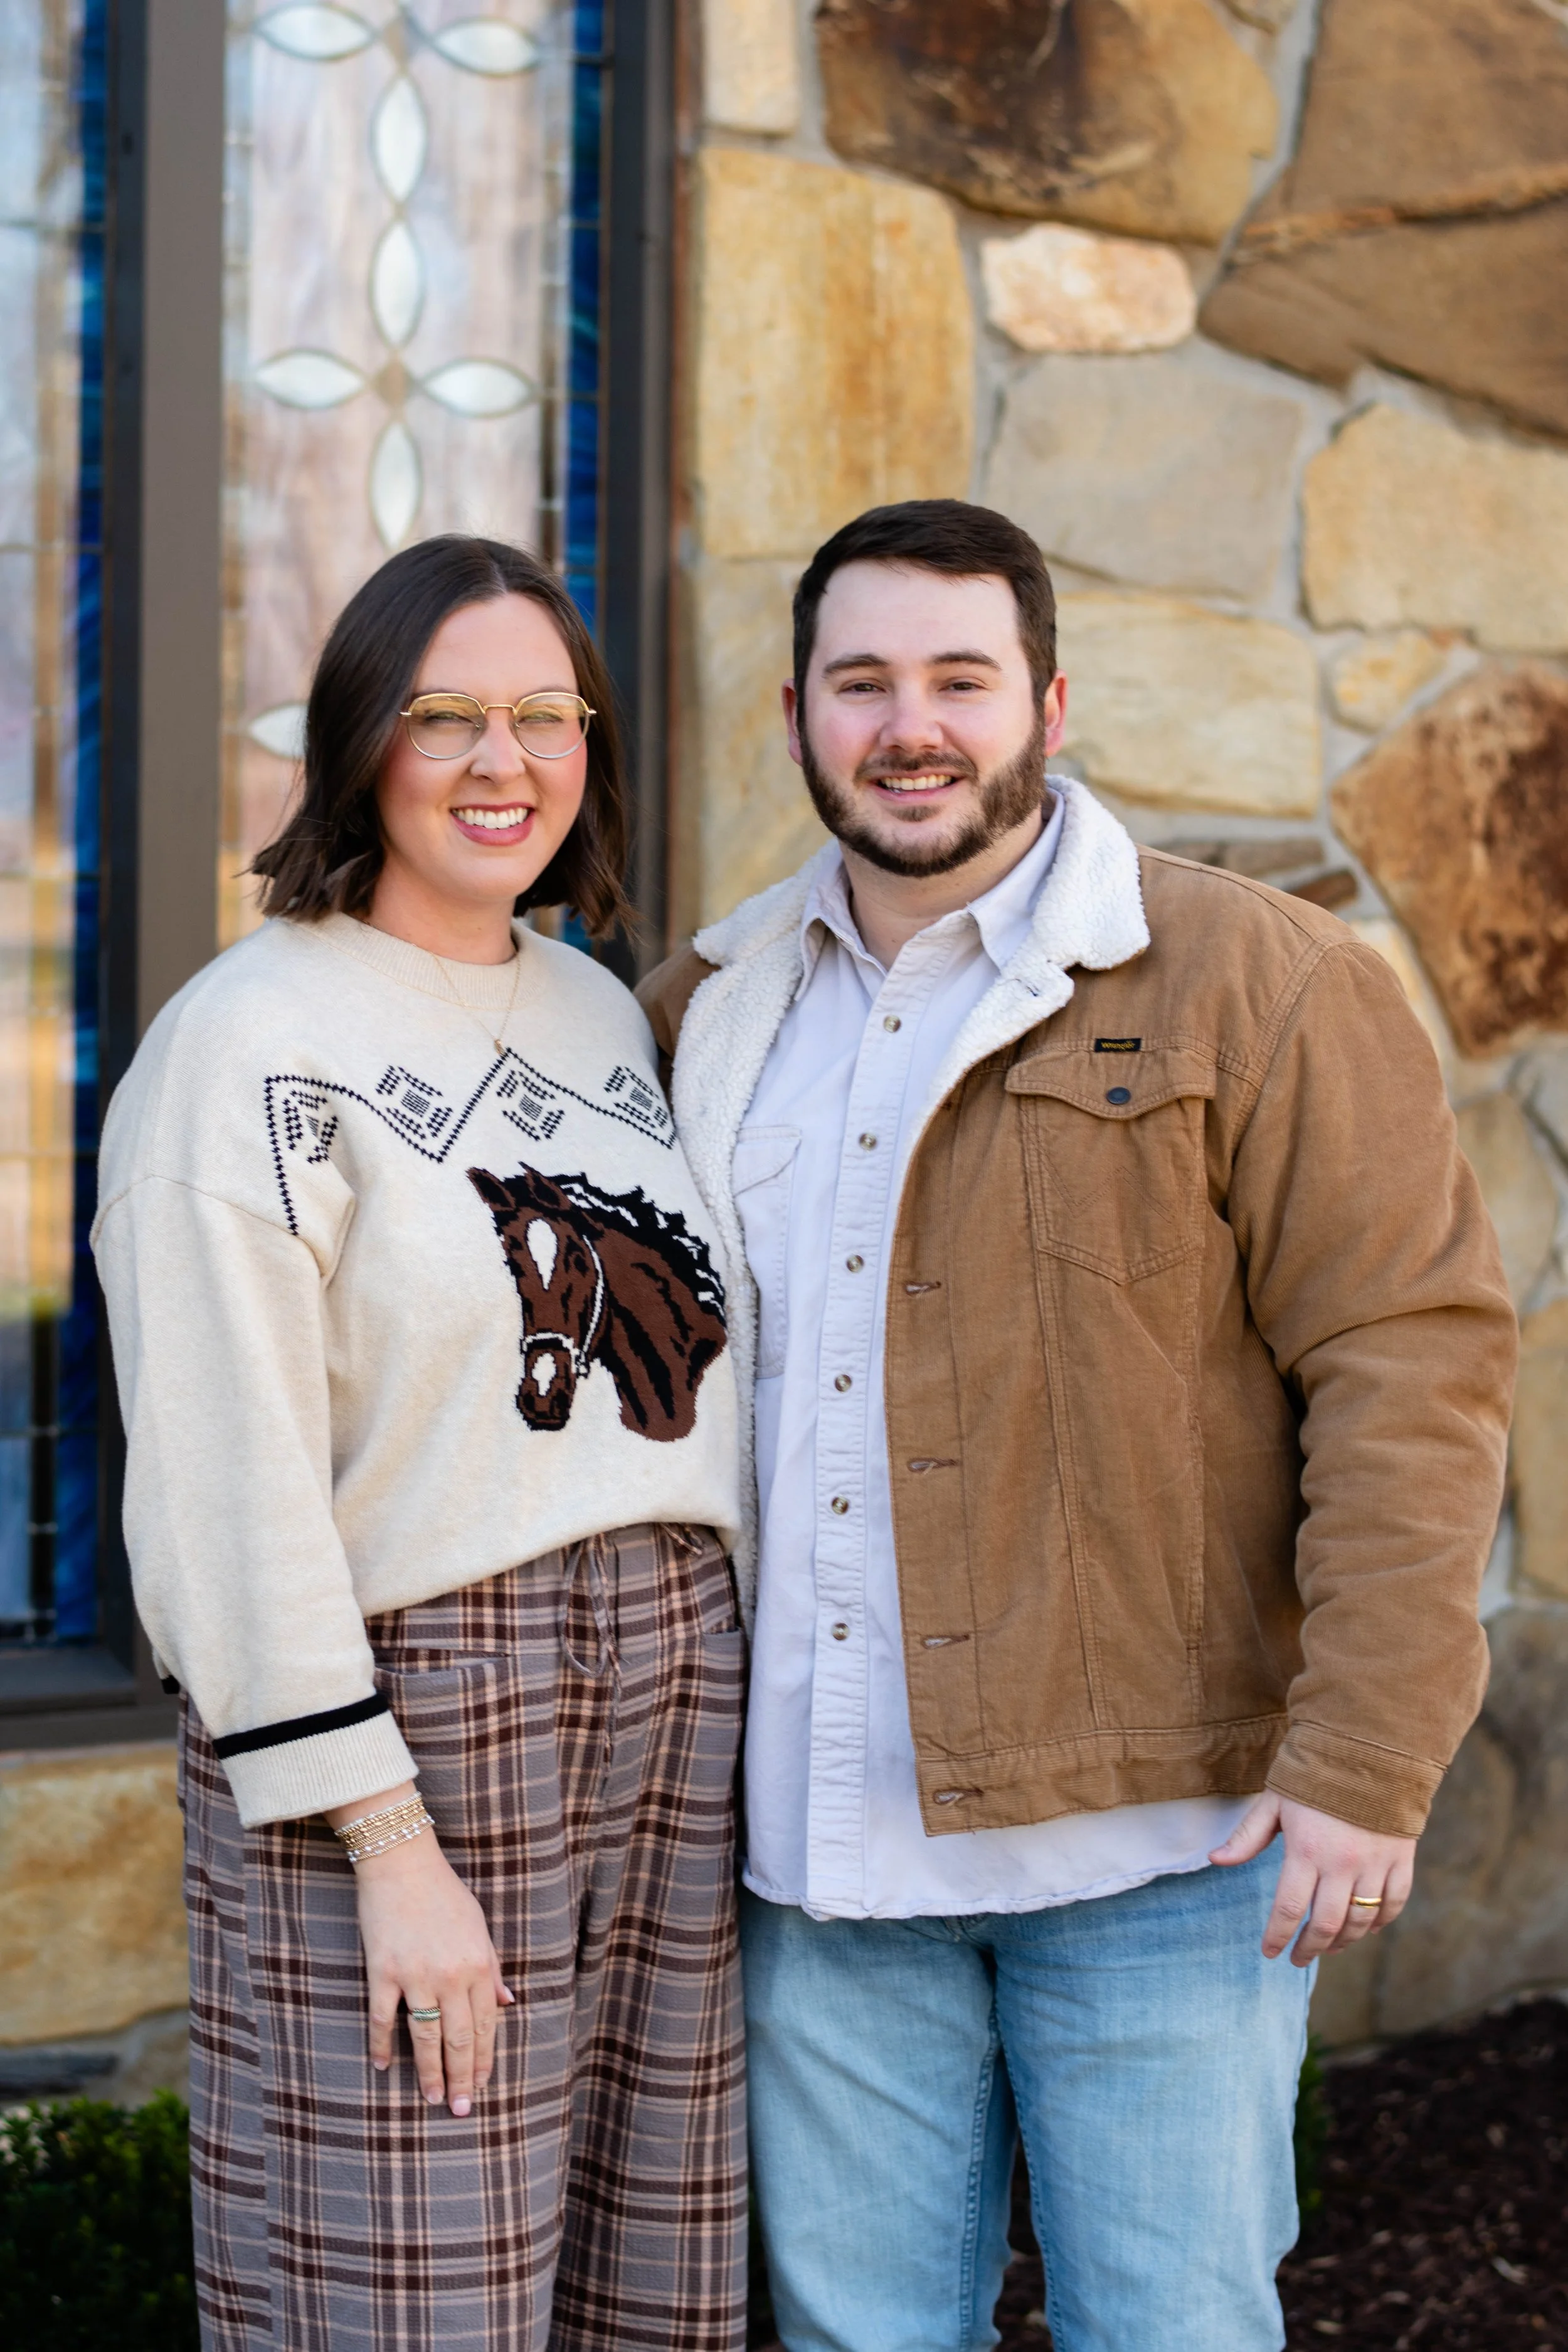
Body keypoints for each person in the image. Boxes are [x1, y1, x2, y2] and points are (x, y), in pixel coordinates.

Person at [638, 499, 1516, 2352]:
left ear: (1048, 699)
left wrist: (1366, 1750)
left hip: (1155, 1860)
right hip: (819, 1856)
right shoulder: (711, 1009)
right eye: (862, 680)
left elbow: (1408, 1362)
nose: (911, 724)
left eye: (959, 677)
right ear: (795, 712)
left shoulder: (1255, 981)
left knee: (1167, 2327)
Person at [93, 537, 746, 2351]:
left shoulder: (604, 1012)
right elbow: (226, 1486)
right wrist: (386, 1838)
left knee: (654, 2273)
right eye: (443, 714)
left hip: (676, 1688)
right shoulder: (245, 1046)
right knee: (402, 2279)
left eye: (545, 715)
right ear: (358, 742)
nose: (499, 759)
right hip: (414, 1715)